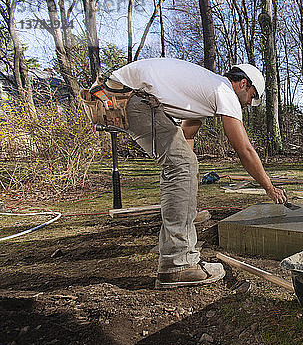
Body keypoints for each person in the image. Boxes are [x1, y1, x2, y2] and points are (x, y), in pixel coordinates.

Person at [105, 58, 287, 288]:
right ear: (243, 83)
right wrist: (269, 187)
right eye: (251, 97)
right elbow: (244, 150)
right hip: (131, 98)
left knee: (183, 165)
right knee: (182, 165)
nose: (249, 104)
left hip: (127, 95)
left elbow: (187, 136)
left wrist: (187, 189)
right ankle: (178, 265)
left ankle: (178, 256)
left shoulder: (205, 92)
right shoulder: (224, 91)